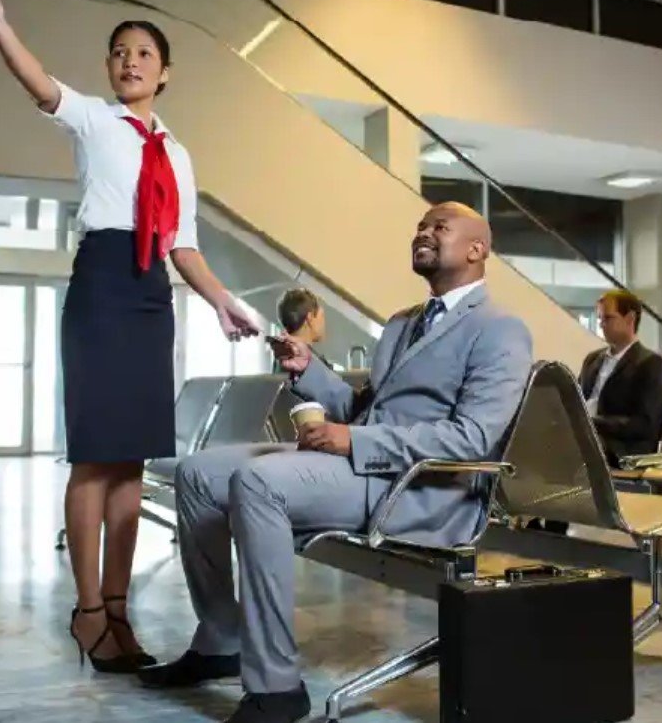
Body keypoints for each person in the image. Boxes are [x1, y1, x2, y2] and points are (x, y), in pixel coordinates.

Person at [0, 0, 258, 674]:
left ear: (165, 72)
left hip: (151, 292)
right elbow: (38, 83)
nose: (130, 61)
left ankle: (119, 610)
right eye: (119, 52)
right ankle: (88, 610)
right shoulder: (92, 117)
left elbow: (183, 245)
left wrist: (219, 300)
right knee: (95, 455)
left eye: (143, 53)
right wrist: (0, 28)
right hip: (102, 284)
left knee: (132, 460)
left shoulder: (178, 153)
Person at [138, 202, 532, 723]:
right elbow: (363, 409)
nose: (423, 233)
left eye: (440, 227)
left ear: (478, 249)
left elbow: (473, 438)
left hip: (420, 487)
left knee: (258, 482)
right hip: (367, 464)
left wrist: (356, 441)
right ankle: (220, 639)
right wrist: (310, 370)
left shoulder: (500, 329)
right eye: (420, 225)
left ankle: (277, 688)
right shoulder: (403, 323)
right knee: (198, 473)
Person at [581, 289, 662, 466]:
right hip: (588, 436)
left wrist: (592, 423)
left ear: (630, 319)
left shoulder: (650, 363)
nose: (602, 325)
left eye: (608, 318)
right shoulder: (592, 360)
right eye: (600, 319)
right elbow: (576, 399)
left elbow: (644, 424)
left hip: (620, 448)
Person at [271, 288, 327, 372]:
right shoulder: (313, 364)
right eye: (322, 316)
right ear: (310, 317)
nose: (324, 323)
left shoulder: (281, 359)